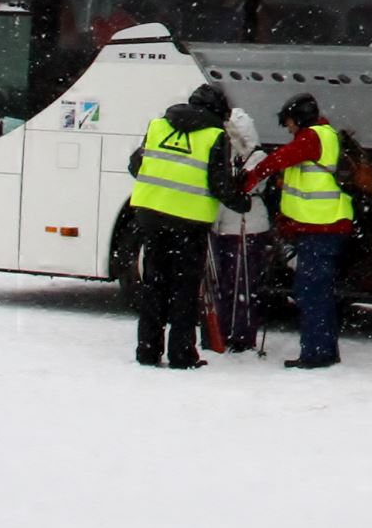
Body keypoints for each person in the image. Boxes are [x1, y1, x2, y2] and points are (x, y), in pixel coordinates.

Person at [127, 82, 249, 368]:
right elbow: (219, 185)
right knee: (184, 287)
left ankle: (147, 350)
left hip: (151, 215)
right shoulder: (215, 135)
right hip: (189, 222)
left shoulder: (158, 125)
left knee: (154, 283)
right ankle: (181, 354)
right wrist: (241, 201)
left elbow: (135, 166)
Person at [241, 94, 355, 369]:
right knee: (319, 291)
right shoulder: (325, 134)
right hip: (325, 225)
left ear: (299, 118)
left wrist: (251, 177)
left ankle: (315, 352)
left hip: (321, 227)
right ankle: (325, 349)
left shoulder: (311, 138)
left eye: (289, 123)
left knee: (310, 291)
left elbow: (279, 159)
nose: (289, 129)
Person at [209, 110, 272, 353]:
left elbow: (249, 184)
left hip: (247, 225)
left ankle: (241, 334)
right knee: (228, 283)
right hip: (228, 224)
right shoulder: (226, 155)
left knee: (242, 283)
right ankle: (226, 330)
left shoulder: (256, 157)